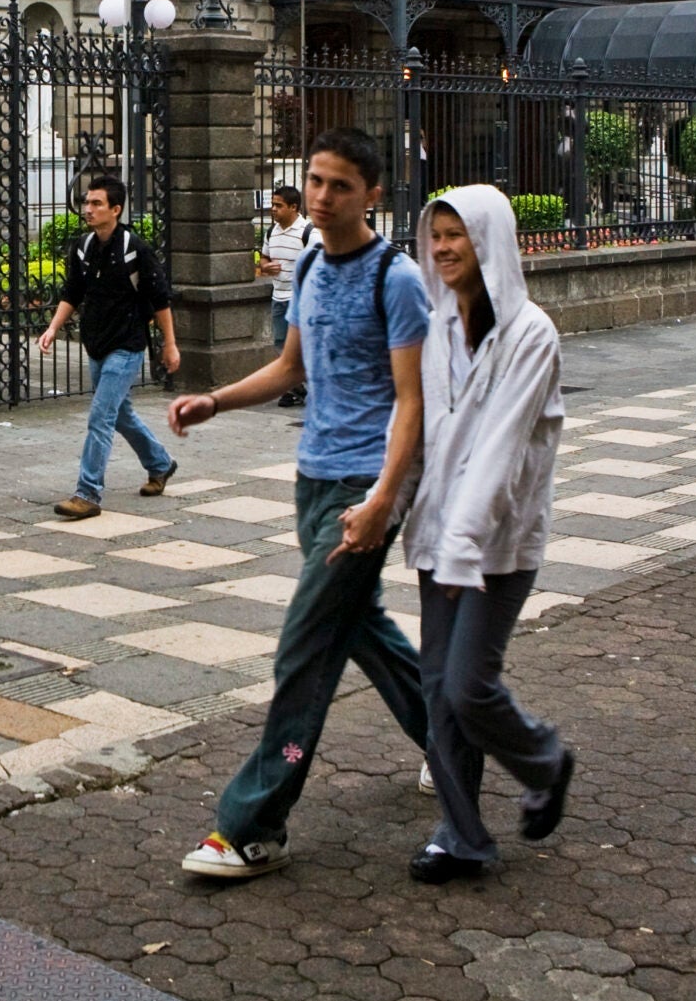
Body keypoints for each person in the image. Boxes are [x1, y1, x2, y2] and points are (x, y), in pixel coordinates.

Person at [168, 127, 432, 881]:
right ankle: (454, 739)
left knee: (304, 646)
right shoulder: (311, 261)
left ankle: (253, 825)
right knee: (360, 628)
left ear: (371, 193)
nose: (320, 196)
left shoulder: (397, 279)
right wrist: (216, 400)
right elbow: (290, 367)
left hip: (364, 486)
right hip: (313, 477)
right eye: (314, 180)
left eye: (339, 185)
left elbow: (412, 403)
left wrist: (385, 499)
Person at [402, 187, 574, 883]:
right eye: (437, 234)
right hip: (438, 534)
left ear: (489, 241)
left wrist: (463, 547)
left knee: (469, 685)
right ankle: (461, 836)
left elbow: (500, 448)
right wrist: (388, 508)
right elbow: (418, 432)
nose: (444, 247)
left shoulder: (532, 334)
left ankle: (545, 760)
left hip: (498, 542)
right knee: (437, 692)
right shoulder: (436, 326)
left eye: (458, 235)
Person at [37, 174, 181, 519]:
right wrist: (53, 328)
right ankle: (160, 464)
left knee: (101, 416)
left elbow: (161, 300)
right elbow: (73, 292)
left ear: (115, 209)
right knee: (121, 414)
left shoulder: (135, 249)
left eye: (96, 203)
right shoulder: (83, 246)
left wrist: (170, 345)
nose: (88, 209)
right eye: (87, 202)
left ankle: (87, 493)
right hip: (97, 344)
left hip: (127, 346)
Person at [255, 185, 317, 408]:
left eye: (278, 205)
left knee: (303, 346)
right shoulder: (271, 232)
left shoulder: (309, 233)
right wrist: (265, 266)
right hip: (278, 297)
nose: (273, 209)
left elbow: (321, 265)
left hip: (300, 299)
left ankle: (315, 388)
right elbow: (263, 258)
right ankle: (294, 388)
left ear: (293, 207)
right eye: (272, 205)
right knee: (281, 343)